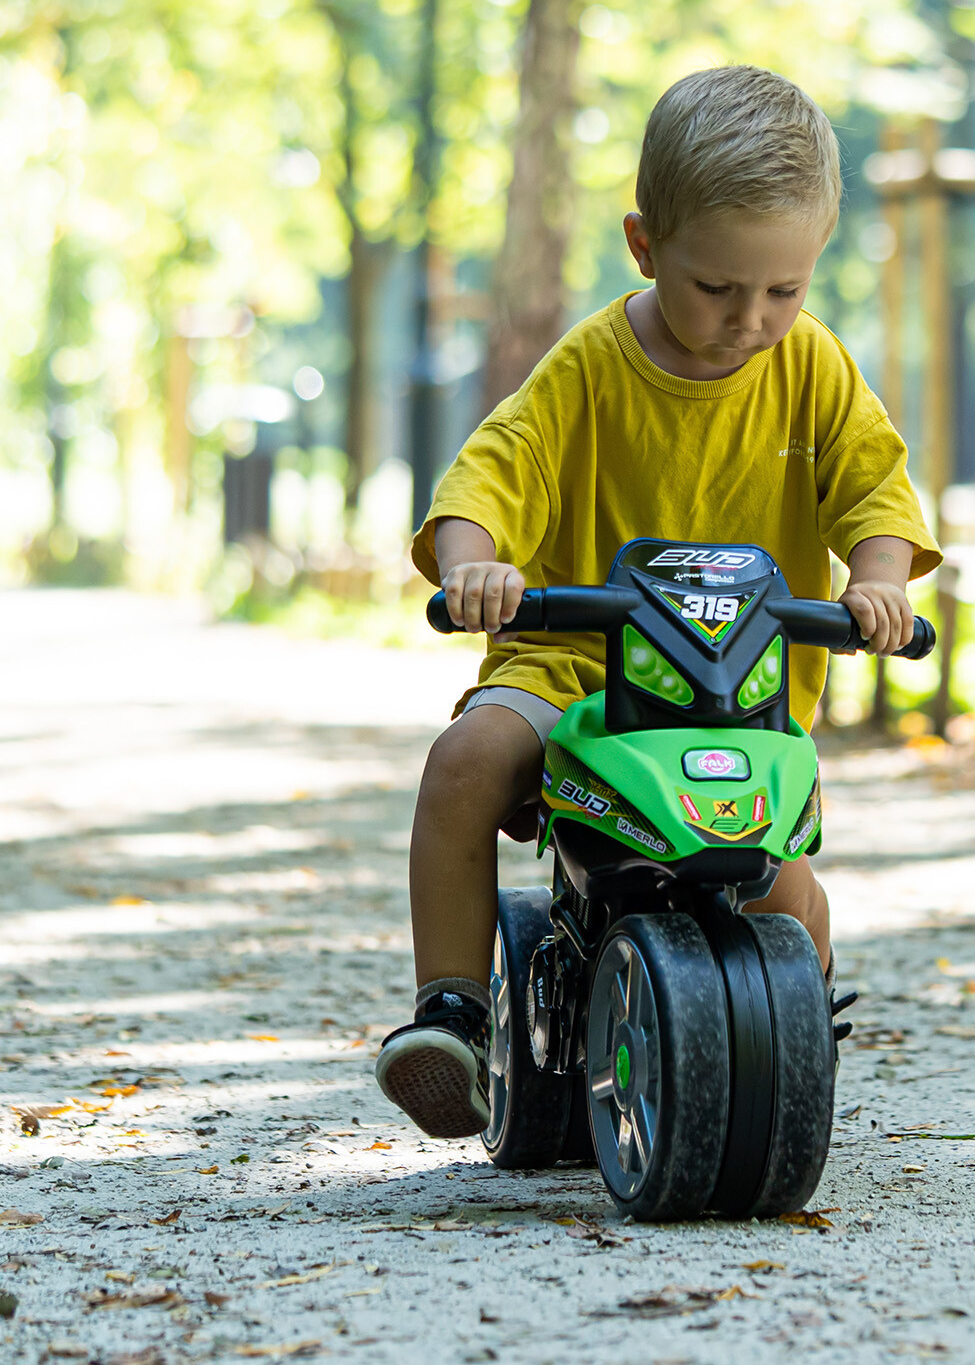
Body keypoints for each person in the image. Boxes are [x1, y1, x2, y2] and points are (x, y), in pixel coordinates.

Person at [374, 65, 939, 1139]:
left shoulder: (811, 367)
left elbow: (874, 484)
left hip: (734, 691)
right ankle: (449, 1008)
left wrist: (875, 579)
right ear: (644, 246)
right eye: (717, 288)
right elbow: (491, 473)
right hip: (579, 671)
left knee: (782, 887)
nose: (750, 319)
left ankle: (788, 1041)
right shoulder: (589, 368)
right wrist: (473, 566)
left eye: (783, 289)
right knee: (464, 761)